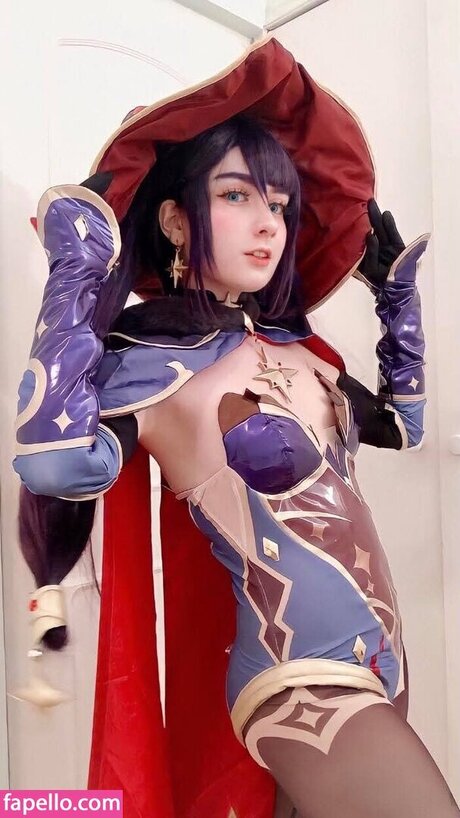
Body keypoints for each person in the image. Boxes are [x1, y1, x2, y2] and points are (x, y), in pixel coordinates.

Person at [13, 37, 459, 818]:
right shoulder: (150, 363)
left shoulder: (304, 355)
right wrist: (75, 272)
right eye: (237, 196)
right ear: (176, 222)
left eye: (279, 205)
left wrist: (398, 304)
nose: (268, 225)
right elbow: (55, 464)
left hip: (382, 668)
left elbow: (402, 427)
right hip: (298, 682)